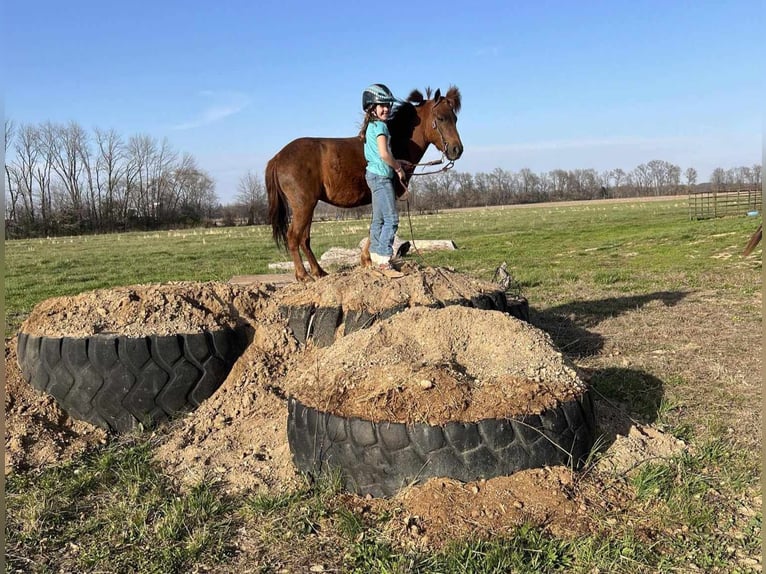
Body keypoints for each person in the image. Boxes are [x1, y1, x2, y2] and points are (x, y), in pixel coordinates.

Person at [360, 83, 408, 274]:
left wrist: (397, 161)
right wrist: (398, 169)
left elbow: (379, 154)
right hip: (381, 177)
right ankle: (383, 258)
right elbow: (384, 154)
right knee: (391, 219)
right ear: (372, 107)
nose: (386, 109)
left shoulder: (371, 126)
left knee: (378, 219)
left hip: (373, 175)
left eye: (388, 105)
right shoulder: (381, 126)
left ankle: (374, 254)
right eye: (382, 105)